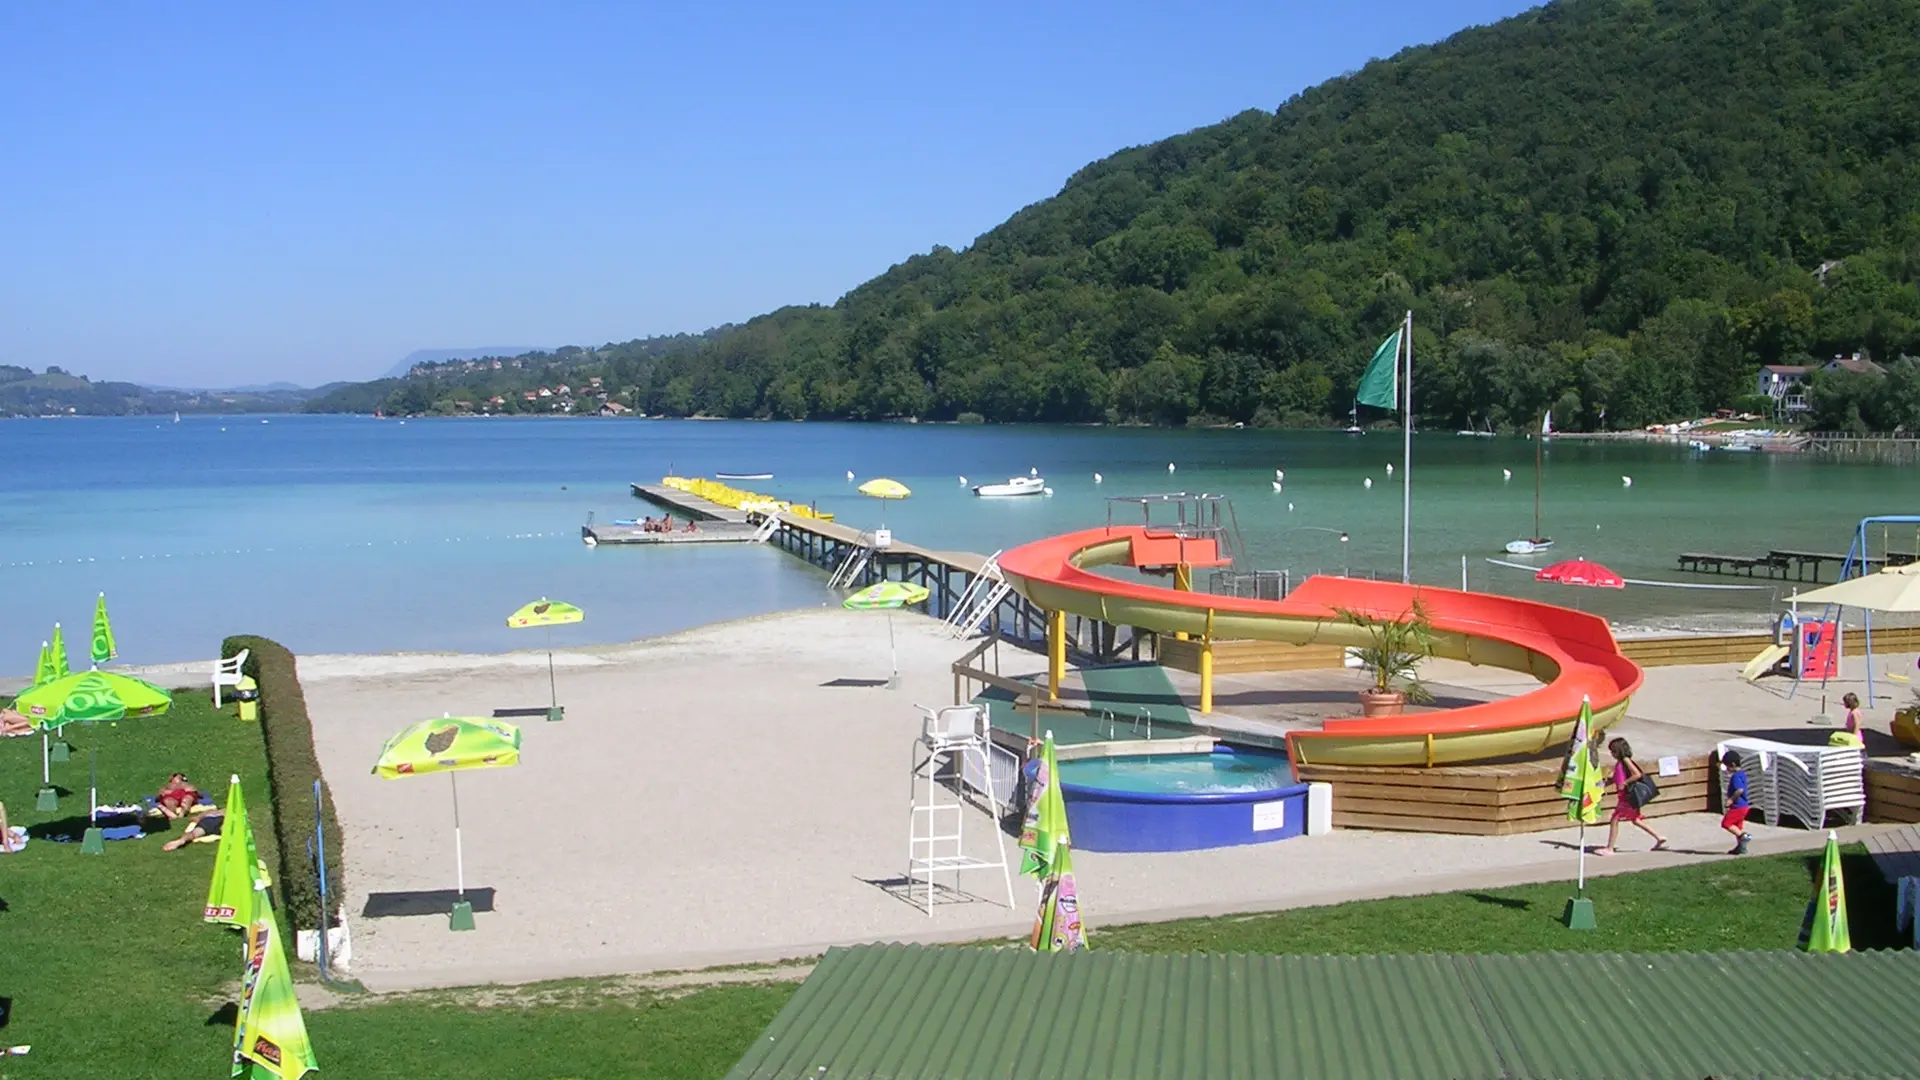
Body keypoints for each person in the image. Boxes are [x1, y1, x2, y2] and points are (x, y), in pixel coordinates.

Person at [1595, 737, 1668, 855]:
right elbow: (1617, 778)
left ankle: (1610, 848)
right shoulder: (1620, 763)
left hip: (1627, 798)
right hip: (1627, 797)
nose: (1612, 754)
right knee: (1636, 819)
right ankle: (1659, 837)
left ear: (1619, 751)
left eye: (1613, 751)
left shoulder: (1625, 760)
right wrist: (1604, 784)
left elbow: (1637, 774)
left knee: (1615, 819)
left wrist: (1625, 783)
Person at [1720, 749, 1752, 855]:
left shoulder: (1736, 776)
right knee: (1737, 827)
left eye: (1727, 766)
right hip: (1744, 806)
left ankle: (1744, 837)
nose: (1727, 769)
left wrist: (1731, 800)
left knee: (1726, 823)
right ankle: (1741, 848)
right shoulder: (1742, 774)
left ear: (1733, 764)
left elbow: (1740, 790)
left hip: (1738, 806)